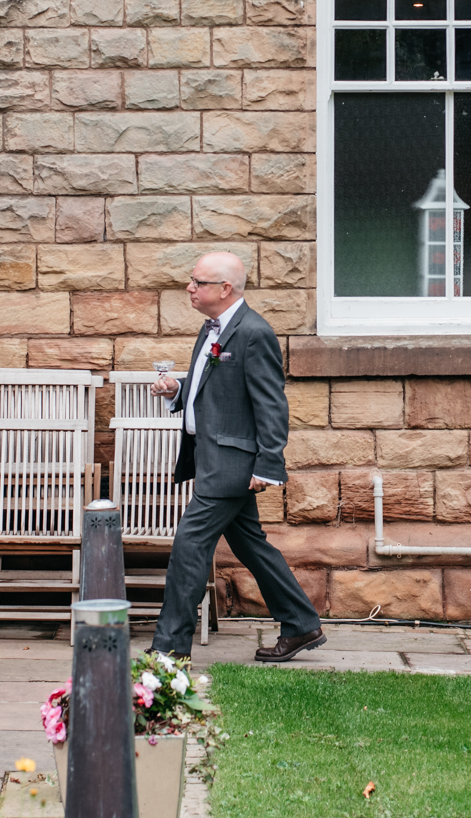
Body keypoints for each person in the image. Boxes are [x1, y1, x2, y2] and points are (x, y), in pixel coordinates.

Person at [148, 251, 325, 662]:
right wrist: (178, 389)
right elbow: (215, 386)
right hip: (211, 458)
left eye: (198, 282)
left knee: (188, 550)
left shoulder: (254, 332)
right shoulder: (213, 328)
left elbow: (271, 405)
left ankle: (168, 651)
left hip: (230, 465)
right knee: (251, 546)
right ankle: (301, 623)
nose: (190, 288)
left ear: (225, 288)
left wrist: (268, 464)